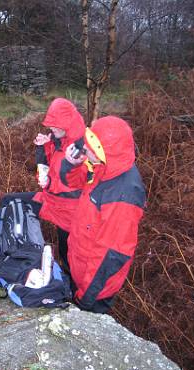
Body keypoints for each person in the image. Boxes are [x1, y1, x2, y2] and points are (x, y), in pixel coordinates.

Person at [62, 116, 146, 313]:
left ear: (105, 149)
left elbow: (111, 255)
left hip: (94, 289)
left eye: (91, 146)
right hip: (80, 271)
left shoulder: (123, 195)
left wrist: (86, 298)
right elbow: (72, 185)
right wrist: (71, 164)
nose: (86, 148)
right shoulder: (104, 166)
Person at [0, 98, 86, 274]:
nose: (51, 128)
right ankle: (17, 255)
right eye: (51, 124)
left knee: (68, 256)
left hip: (69, 212)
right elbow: (45, 173)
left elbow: (75, 182)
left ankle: (70, 292)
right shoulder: (58, 141)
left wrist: (71, 166)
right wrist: (42, 147)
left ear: (68, 124)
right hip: (51, 200)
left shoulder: (80, 149)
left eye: (56, 124)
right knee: (8, 201)